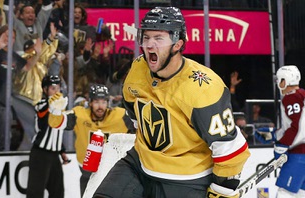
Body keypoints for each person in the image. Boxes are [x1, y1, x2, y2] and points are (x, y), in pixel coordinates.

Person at [93, 7, 250, 198]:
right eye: (146, 37)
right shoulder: (137, 68)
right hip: (139, 164)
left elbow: (229, 149)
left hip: (187, 178)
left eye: (159, 38)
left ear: (177, 44)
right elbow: (133, 112)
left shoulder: (203, 88)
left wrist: (222, 190)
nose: (149, 45)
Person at [48, 84, 136, 197]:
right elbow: (57, 123)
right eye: (96, 102)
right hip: (87, 171)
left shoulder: (120, 116)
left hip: (112, 170)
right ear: (90, 103)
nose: (100, 106)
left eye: (103, 102)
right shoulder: (80, 115)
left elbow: (141, 125)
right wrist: (55, 112)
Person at [255, 65, 305, 198]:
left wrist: (281, 146)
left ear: (286, 80)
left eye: (279, 79)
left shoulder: (291, 98)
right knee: (300, 192)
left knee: (285, 193)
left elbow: (298, 127)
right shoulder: (302, 95)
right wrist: (273, 135)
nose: (278, 82)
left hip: (299, 154)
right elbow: (294, 126)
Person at [26, 75, 70, 198]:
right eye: (52, 88)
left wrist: (62, 151)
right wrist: (52, 105)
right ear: (45, 90)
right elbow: (42, 115)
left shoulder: (60, 107)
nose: (56, 92)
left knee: (58, 191)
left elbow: (56, 131)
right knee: (36, 191)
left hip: (54, 154)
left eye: (58, 89)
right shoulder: (42, 104)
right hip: (40, 153)